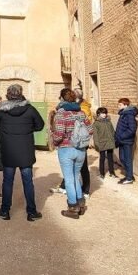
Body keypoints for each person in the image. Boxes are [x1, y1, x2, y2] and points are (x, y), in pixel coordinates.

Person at [0, 84, 45, 221]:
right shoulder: (30, 109)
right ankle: (31, 212)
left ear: (8, 94)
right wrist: (27, 129)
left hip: (8, 150)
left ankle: (5, 211)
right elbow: (40, 125)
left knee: (7, 181)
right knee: (28, 181)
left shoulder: (1, 110)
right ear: (21, 94)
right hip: (25, 151)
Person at [51, 89, 90, 219]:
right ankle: (81, 203)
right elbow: (90, 130)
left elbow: (59, 133)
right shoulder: (81, 113)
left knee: (68, 179)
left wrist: (54, 141)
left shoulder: (61, 113)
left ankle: (73, 208)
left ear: (62, 98)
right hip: (81, 149)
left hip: (66, 148)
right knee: (76, 176)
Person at [115, 98, 138, 184]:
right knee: (122, 158)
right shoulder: (123, 114)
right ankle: (129, 175)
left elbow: (132, 129)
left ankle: (129, 178)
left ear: (125, 105)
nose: (118, 106)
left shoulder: (129, 115)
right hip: (121, 141)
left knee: (127, 159)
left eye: (120, 105)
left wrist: (121, 136)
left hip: (127, 141)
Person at [93, 107, 116, 179]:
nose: (104, 115)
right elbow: (95, 135)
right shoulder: (96, 123)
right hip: (101, 143)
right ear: (98, 114)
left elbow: (112, 131)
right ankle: (102, 173)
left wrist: (114, 139)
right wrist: (97, 144)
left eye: (105, 113)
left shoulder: (109, 122)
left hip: (109, 142)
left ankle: (112, 172)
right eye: (103, 113)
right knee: (102, 158)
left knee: (110, 158)